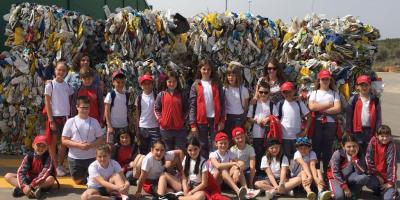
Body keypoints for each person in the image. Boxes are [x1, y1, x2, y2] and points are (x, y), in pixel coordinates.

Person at [62, 96, 104, 185]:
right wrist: (78, 145)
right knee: (78, 182)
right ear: (77, 107)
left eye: (87, 108)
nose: (85, 110)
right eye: (83, 108)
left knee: (94, 181)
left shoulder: (94, 121)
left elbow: (100, 139)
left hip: (91, 158)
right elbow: (64, 140)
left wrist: (90, 145)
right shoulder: (70, 121)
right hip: (75, 159)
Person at [189, 58, 225, 158]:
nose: (206, 71)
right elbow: (192, 106)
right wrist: (192, 124)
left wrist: (222, 120)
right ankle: (204, 167)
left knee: (215, 144)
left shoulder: (216, 84)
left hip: (215, 120)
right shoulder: (196, 85)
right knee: (202, 144)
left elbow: (222, 103)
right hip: (201, 121)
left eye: (208, 69)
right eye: (204, 69)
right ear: (200, 69)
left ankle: (214, 168)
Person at [44, 59, 74, 176]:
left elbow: (71, 99)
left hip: (65, 117)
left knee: (64, 143)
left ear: (66, 72)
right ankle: (54, 166)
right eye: (59, 70)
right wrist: (51, 120)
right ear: (55, 70)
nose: (61, 72)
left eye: (63, 70)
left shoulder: (67, 86)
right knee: (53, 143)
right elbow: (47, 103)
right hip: (55, 117)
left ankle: (60, 165)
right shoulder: (50, 85)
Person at [308, 69, 341, 172]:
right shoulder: (314, 92)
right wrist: (329, 104)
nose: (325, 81)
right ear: (319, 80)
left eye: (327, 79)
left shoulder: (335, 93)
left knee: (327, 148)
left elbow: (338, 108)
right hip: (317, 123)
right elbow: (312, 107)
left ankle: (327, 172)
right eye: (323, 79)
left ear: (330, 80)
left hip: (330, 124)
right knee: (316, 147)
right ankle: (316, 171)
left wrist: (321, 110)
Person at [246, 81, 278, 174]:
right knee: (257, 153)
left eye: (265, 92)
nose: (263, 94)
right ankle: (259, 172)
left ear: (269, 93)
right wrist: (256, 121)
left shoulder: (271, 104)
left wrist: (268, 118)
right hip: (256, 134)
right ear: (258, 92)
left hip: (268, 134)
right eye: (261, 92)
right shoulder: (254, 104)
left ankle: (268, 173)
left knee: (268, 153)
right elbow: (248, 118)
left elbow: (276, 116)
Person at [346, 75, 382, 153]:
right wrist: (349, 131)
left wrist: (378, 131)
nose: (364, 87)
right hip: (357, 131)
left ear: (370, 86)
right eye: (361, 85)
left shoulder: (375, 100)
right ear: (357, 87)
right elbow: (349, 116)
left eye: (366, 85)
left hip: (370, 131)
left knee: (369, 153)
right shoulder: (353, 99)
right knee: (357, 153)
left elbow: (378, 117)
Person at [209, 132, 249, 200]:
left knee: (237, 168)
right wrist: (233, 164)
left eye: (225, 143)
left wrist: (237, 170)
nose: (223, 145)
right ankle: (238, 191)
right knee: (223, 170)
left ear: (228, 143)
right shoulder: (213, 154)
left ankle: (246, 190)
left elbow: (241, 163)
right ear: (216, 144)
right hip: (215, 180)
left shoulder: (229, 153)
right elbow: (218, 166)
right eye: (221, 143)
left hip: (226, 179)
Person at [327, 135, 369, 200]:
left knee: (364, 177)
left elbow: (361, 171)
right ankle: (334, 192)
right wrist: (345, 187)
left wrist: (355, 158)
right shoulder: (337, 154)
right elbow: (335, 173)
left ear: (357, 145)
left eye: (354, 146)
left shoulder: (359, 152)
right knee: (339, 197)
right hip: (335, 178)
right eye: (348, 147)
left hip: (349, 176)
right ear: (343, 146)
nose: (352, 149)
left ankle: (352, 192)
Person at [154, 71, 188, 151]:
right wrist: (161, 120)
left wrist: (183, 121)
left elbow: (187, 109)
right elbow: (156, 109)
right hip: (165, 130)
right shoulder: (161, 94)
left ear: (177, 82)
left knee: (180, 153)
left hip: (180, 130)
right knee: (168, 153)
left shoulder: (181, 94)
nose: (172, 84)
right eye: (169, 81)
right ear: (166, 82)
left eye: (174, 81)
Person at [277, 82, 311, 160]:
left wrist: (305, 131)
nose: (287, 94)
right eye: (284, 92)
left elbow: (309, 116)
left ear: (294, 91)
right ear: (281, 93)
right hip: (284, 138)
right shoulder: (280, 104)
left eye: (289, 91)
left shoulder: (299, 103)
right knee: (285, 160)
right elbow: (276, 120)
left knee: (299, 160)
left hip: (297, 138)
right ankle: (287, 172)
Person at [366, 125, 398, 200]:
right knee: (368, 181)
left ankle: (393, 192)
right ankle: (378, 191)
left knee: (388, 198)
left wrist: (390, 182)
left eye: (387, 136)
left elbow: (392, 165)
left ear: (390, 136)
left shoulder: (391, 145)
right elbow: (368, 159)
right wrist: (376, 174)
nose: (385, 138)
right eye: (382, 136)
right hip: (376, 174)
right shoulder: (373, 141)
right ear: (377, 136)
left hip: (387, 177)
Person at [223, 62, 249, 140]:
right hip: (227, 118)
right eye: (229, 75)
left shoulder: (243, 90)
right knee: (228, 139)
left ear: (237, 76)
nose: (231, 77)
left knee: (238, 139)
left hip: (239, 118)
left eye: (233, 75)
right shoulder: (224, 89)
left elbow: (246, 106)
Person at [135, 74, 160, 154]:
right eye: (144, 84)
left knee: (155, 150)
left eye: (149, 83)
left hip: (155, 127)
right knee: (143, 151)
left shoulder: (157, 96)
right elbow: (137, 114)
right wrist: (137, 129)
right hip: (143, 127)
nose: (147, 86)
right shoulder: (139, 97)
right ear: (141, 85)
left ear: (152, 84)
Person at [229, 127, 258, 194]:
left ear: (245, 136)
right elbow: (233, 164)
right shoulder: (232, 149)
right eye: (237, 138)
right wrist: (237, 170)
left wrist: (251, 182)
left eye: (242, 137)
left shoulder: (250, 148)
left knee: (252, 169)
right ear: (234, 139)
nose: (240, 139)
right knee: (238, 168)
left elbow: (252, 165)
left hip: (247, 170)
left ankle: (249, 186)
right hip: (237, 169)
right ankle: (237, 188)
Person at [104, 70, 129, 144]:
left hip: (124, 126)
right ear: (113, 82)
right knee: (111, 147)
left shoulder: (126, 94)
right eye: (118, 82)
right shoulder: (111, 94)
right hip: (113, 127)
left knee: (123, 146)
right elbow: (107, 111)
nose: (120, 84)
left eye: (122, 82)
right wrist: (109, 126)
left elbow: (127, 110)